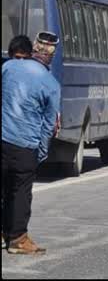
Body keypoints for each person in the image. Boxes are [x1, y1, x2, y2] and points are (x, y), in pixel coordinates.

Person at [2, 31, 61, 254]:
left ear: (34, 48)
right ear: (51, 55)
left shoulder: (7, 68)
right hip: (25, 145)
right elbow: (49, 124)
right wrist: (42, 152)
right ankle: (17, 239)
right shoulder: (50, 83)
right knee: (20, 192)